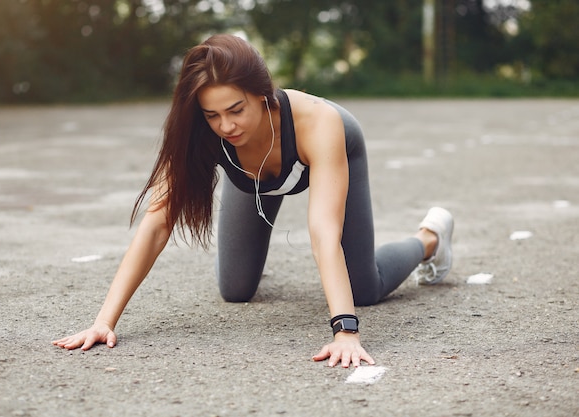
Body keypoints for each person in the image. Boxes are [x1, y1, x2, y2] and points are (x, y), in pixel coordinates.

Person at [52, 34, 454, 368]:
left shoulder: (320, 123)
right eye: (212, 115)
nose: (225, 125)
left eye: (236, 110)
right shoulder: (205, 132)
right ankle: (247, 254)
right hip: (252, 179)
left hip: (335, 150)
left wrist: (345, 331)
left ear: (262, 95)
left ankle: (429, 238)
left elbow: (323, 233)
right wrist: (104, 321)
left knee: (364, 288)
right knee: (236, 288)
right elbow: (157, 223)